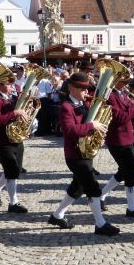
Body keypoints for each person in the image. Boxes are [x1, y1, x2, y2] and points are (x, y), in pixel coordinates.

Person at [47, 72, 117, 236]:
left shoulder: (83, 104)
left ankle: (57, 216)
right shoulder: (66, 107)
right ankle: (100, 224)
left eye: (87, 89)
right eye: (83, 89)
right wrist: (92, 126)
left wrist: (98, 134)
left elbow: (91, 125)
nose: (86, 92)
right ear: (72, 88)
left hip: (84, 152)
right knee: (93, 187)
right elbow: (70, 130)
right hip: (75, 155)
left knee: (77, 187)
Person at [100, 72, 134, 218]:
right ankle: (131, 208)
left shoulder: (122, 94)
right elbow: (120, 117)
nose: (127, 85)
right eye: (125, 81)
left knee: (124, 171)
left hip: (127, 137)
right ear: (117, 80)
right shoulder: (109, 96)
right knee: (131, 172)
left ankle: (101, 195)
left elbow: (129, 112)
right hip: (118, 139)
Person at [0, 74, 29, 214]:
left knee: (15, 169)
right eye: (8, 84)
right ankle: (13, 203)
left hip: (15, 138)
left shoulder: (11, 97)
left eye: (11, 84)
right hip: (1, 140)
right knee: (12, 170)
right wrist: (15, 113)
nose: (11, 87)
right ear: (0, 85)